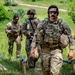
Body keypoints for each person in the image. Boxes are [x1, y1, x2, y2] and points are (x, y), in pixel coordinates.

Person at [31, 5, 74, 75]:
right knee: (46, 72)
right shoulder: (43, 24)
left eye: (54, 12)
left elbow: (70, 37)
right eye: (51, 12)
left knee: (54, 72)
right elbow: (36, 36)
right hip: (45, 50)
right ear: (48, 13)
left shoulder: (62, 24)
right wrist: (33, 49)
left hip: (56, 50)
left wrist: (71, 50)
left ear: (57, 13)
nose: (52, 14)